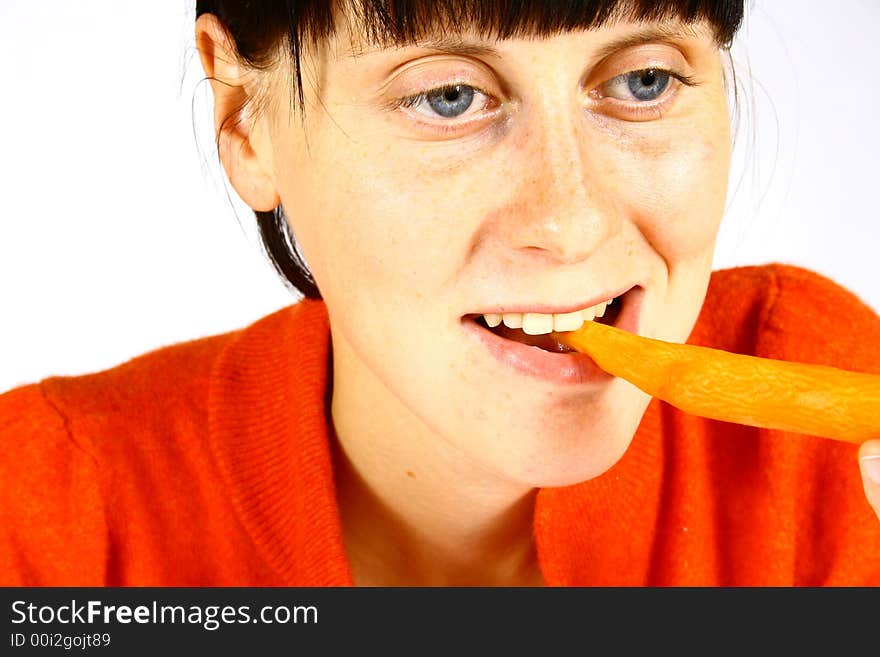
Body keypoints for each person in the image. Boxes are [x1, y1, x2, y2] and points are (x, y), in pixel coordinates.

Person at [2, 0, 879, 587]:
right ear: (244, 118)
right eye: (450, 96)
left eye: (642, 81)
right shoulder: (43, 523)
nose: (569, 226)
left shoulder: (820, 452)